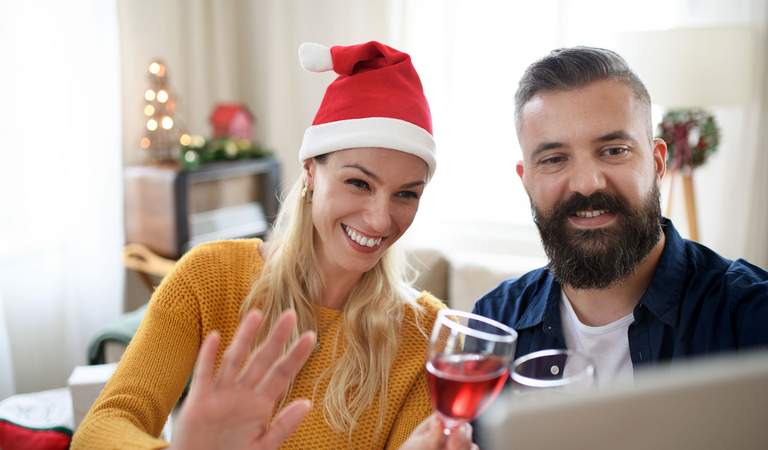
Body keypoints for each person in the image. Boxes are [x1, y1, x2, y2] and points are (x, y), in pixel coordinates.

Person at [73, 41, 475, 450]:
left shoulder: (428, 336)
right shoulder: (209, 278)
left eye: (406, 194)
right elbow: (101, 428)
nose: (379, 219)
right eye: (358, 183)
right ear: (311, 171)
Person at [472, 46, 768, 387]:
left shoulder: (754, 320)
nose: (587, 184)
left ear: (658, 163)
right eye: (554, 159)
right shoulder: (494, 321)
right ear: (527, 180)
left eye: (614, 151)